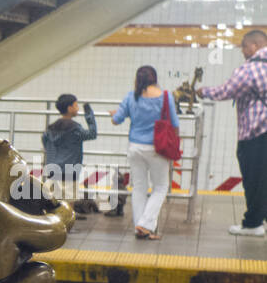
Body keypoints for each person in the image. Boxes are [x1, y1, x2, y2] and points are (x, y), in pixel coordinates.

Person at [198, 28, 267, 238]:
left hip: (255, 135)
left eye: (244, 47)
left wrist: (203, 91)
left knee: (254, 180)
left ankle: (253, 224)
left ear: (255, 46)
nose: (243, 51)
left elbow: (226, 91)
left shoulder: (249, 70)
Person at [111, 65, 179, 240]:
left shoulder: (131, 96)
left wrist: (114, 113)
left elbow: (117, 120)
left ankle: (139, 227)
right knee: (161, 187)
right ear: (155, 78)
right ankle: (146, 224)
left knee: (139, 188)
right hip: (158, 148)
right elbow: (175, 123)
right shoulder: (165, 96)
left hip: (135, 147)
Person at [40, 93, 97, 212]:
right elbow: (92, 134)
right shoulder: (75, 129)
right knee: (69, 204)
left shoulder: (50, 128)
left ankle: (54, 225)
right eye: (76, 105)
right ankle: (67, 227)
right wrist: (89, 114)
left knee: (54, 203)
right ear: (70, 108)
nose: (78, 108)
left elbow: (45, 141)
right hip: (70, 170)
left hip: (53, 169)